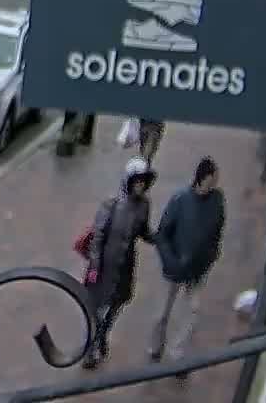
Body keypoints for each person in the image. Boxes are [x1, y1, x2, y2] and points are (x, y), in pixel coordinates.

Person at [150, 157, 225, 372]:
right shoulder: (180, 200)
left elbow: (217, 231)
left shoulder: (217, 201)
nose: (216, 182)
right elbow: (162, 234)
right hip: (174, 267)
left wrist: (211, 256)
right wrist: (170, 261)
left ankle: (177, 354)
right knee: (162, 312)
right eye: (213, 177)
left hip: (198, 269)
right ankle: (155, 347)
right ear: (203, 178)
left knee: (192, 311)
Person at [82, 158, 158, 369]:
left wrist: (161, 238)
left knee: (116, 305)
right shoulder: (111, 204)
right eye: (137, 181)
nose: (141, 186)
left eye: (144, 182)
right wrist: (95, 266)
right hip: (105, 265)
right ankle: (90, 349)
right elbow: (97, 237)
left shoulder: (144, 205)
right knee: (96, 308)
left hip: (125, 265)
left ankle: (102, 336)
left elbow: (143, 231)